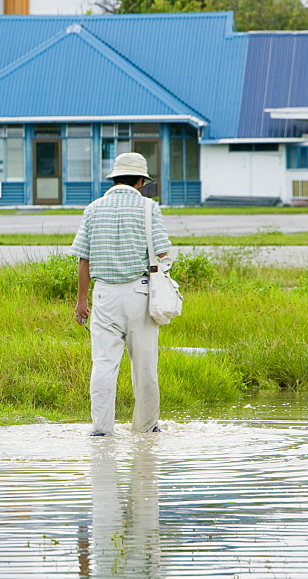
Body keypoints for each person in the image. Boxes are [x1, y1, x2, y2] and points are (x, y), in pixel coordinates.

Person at [69, 152, 172, 437]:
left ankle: (101, 429)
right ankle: (147, 427)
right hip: (141, 295)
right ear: (140, 181)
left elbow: (83, 260)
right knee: (145, 365)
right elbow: (162, 252)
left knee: (103, 364)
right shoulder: (149, 208)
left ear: (114, 179)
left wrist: (81, 301)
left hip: (103, 296)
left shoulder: (93, 208)